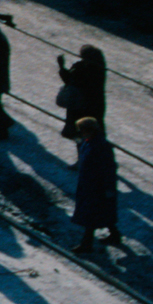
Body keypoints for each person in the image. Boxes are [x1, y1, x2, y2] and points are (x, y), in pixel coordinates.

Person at [70, 117, 118, 253]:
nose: (80, 133)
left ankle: (86, 244)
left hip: (97, 186)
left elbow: (108, 168)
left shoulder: (100, 146)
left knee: (91, 215)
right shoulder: (89, 142)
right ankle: (114, 235)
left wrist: (108, 187)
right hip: (90, 184)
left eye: (82, 130)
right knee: (102, 212)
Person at [57, 44, 107, 139]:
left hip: (81, 106)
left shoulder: (83, 69)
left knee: (82, 133)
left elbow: (70, 80)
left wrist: (62, 67)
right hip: (95, 107)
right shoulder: (99, 69)